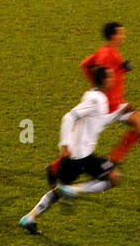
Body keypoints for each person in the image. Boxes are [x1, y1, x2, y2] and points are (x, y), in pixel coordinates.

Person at [19, 66, 126, 234]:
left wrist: (118, 114)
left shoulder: (95, 97)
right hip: (81, 157)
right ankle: (75, 190)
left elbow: (99, 121)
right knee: (114, 177)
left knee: (58, 191)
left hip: (72, 159)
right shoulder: (95, 100)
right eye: (111, 77)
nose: (113, 80)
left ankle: (30, 217)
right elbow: (69, 117)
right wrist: (65, 144)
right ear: (104, 81)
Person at [46, 22, 140, 185]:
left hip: (114, 104)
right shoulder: (108, 56)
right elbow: (103, 76)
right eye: (121, 33)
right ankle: (111, 160)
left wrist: (121, 69)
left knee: (139, 127)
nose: (123, 36)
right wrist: (103, 89)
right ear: (113, 35)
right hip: (110, 106)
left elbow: (85, 64)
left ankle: (57, 167)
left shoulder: (105, 51)